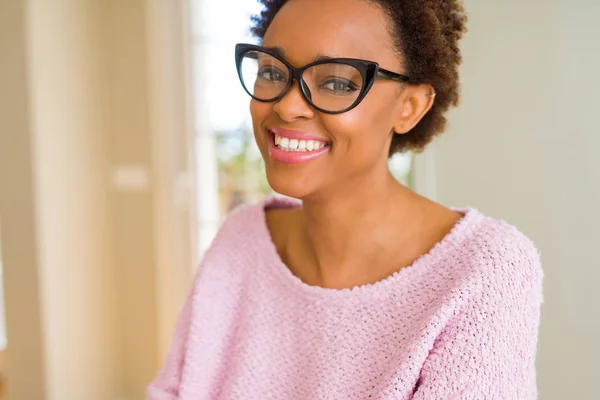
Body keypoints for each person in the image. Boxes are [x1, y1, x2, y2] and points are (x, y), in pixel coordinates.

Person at [147, 0, 543, 399]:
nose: (286, 105)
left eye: (336, 82)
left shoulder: (484, 270)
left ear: (410, 107)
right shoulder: (241, 239)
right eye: (271, 72)